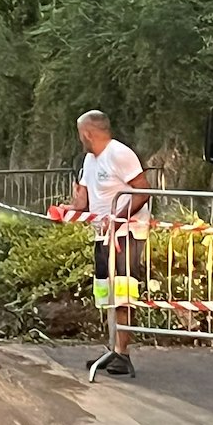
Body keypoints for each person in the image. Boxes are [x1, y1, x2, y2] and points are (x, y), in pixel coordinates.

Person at [70, 110, 152, 377]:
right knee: (107, 294)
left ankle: (123, 353)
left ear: (87, 133)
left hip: (125, 234)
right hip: (102, 234)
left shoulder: (119, 153)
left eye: (80, 133)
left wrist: (118, 218)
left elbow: (142, 189)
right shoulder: (89, 159)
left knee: (123, 293)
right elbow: (83, 202)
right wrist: (70, 208)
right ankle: (113, 347)